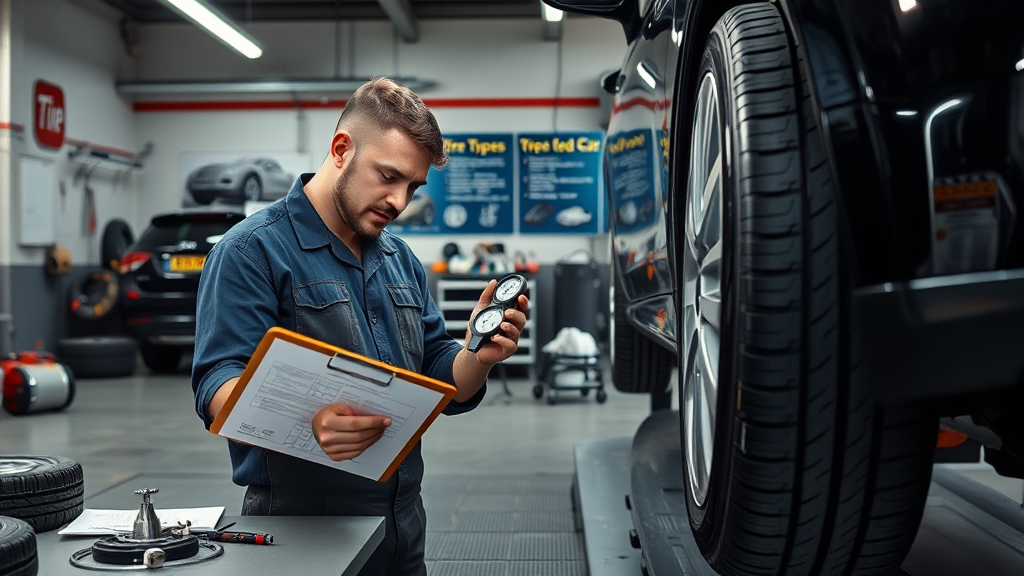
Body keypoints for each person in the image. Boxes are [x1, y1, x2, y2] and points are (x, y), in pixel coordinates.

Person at [191, 77, 529, 575]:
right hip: (304, 530)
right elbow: (218, 380)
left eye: (411, 187)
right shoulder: (250, 251)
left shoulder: (400, 258)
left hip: (402, 522)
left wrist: (478, 355)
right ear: (342, 149)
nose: (398, 201)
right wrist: (305, 418)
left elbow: (442, 374)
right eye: (388, 176)